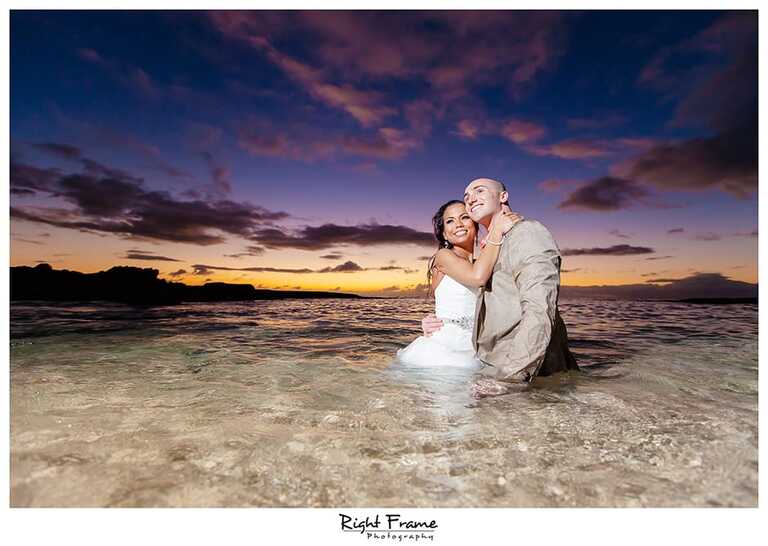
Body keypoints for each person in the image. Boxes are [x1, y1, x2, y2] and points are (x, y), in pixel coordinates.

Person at [422, 178, 578, 398]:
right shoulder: (483, 251)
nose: (471, 199)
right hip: (483, 361)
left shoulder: (527, 233)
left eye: (479, 191)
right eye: (467, 197)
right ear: (443, 233)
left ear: (503, 197)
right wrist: (436, 321)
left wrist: (510, 378)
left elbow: (539, 310)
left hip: (517, 368)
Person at [395, 200, 520, 368]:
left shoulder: (482, 262)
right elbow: (477, 278)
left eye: (465, 217)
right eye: (450, 221)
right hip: (445, 350)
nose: (459, 224)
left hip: (479, 347)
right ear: (444, 234)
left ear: (475, 225)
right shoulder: (443, 257)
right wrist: (497, 231)